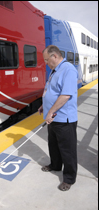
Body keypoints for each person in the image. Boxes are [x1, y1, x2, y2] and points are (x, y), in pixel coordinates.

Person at [38, 45, 78, 191]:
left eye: (47, 60)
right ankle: (55, 165)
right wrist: (44, 106)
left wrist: (50, 112)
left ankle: (69, 178)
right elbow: (50, 90)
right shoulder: (54, 70)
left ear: (54, 56)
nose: (46, 63)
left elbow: (65, 95)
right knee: (53, 145)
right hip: (53, 117)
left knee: (67, 150)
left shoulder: (68, 69)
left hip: (64, 119)